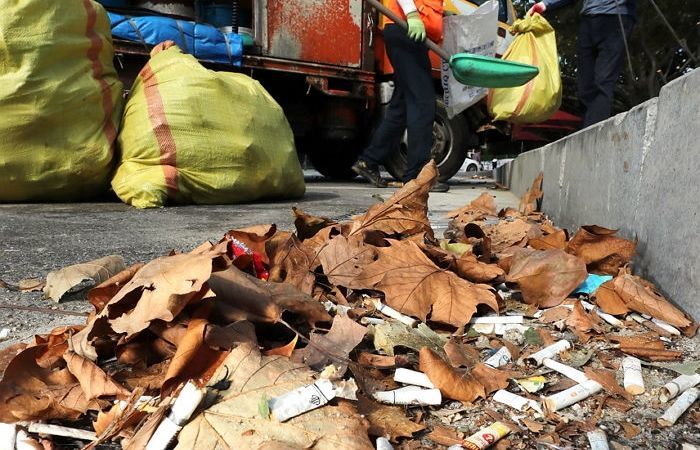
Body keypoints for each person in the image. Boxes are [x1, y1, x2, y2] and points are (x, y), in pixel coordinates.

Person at [352, 0, 450, 192]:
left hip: (409, 33)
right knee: (422, 103)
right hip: (405, 29)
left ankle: (369, 161)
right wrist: (412, 15)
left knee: (402, 107)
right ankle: (417, 176)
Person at [528, 0, 636, 127]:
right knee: (585, 84)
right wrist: (545, 4)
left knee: (603, 80)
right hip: (589, 20)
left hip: (616, 19)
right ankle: (587, 130)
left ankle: (595, 132)